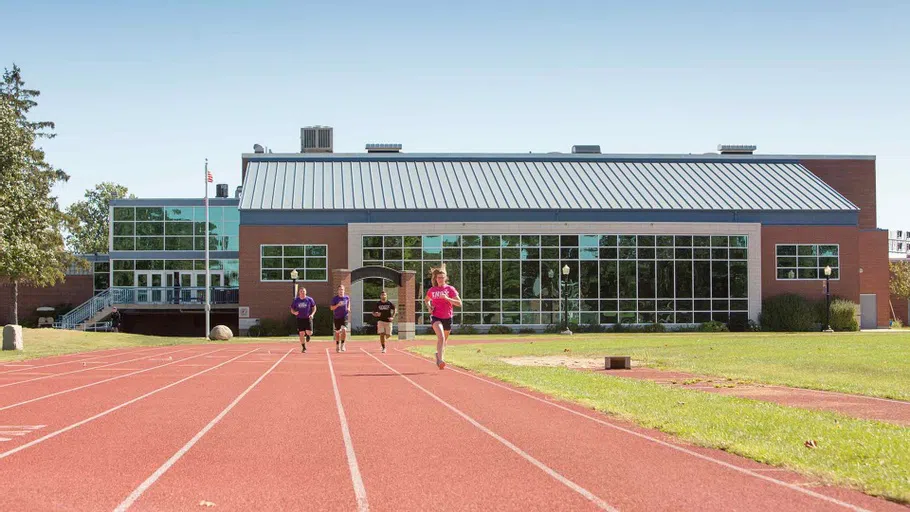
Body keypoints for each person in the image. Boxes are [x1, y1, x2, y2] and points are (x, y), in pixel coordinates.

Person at [425, 265, 462, 369]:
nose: (440, 279)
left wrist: (447, 298)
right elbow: (426, 299)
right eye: (438, 277)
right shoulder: (432, 290)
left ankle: (438, 355)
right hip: (436, 316)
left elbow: (459, 303)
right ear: (436, 279)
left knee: (444, 341)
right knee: (440, 337)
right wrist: (429, 306)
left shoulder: (450, 289)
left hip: (448, 317)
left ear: (446, 278)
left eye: (442, 277)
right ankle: (440, 360)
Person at [290, 287, 316, 353]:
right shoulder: (296, 300)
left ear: (306, 292)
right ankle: (304, 347)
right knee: (301, 333)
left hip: (308, 318)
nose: (302, 292)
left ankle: (308, 335)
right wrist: (294, 312)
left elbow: (314, 308)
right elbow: (292, 309)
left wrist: (312, 314)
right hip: (300, 318)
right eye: (301, 291)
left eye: (304, 291)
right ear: (299, 293)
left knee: (310, 332)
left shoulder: (310, 299)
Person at [330, 285, 351, 352]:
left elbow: (348, 303)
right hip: (337, 317)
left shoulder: (347, 297)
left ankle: (342, 344)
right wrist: (337, 305)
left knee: (344, 330)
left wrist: (348, 308)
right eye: (339, 290)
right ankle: (337, 345)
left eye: (342, 289)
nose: (341, 291)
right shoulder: (335, 299)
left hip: (344, 316)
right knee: (337, 332)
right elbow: (331, 308)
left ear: (344, 290)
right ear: (338, 291)